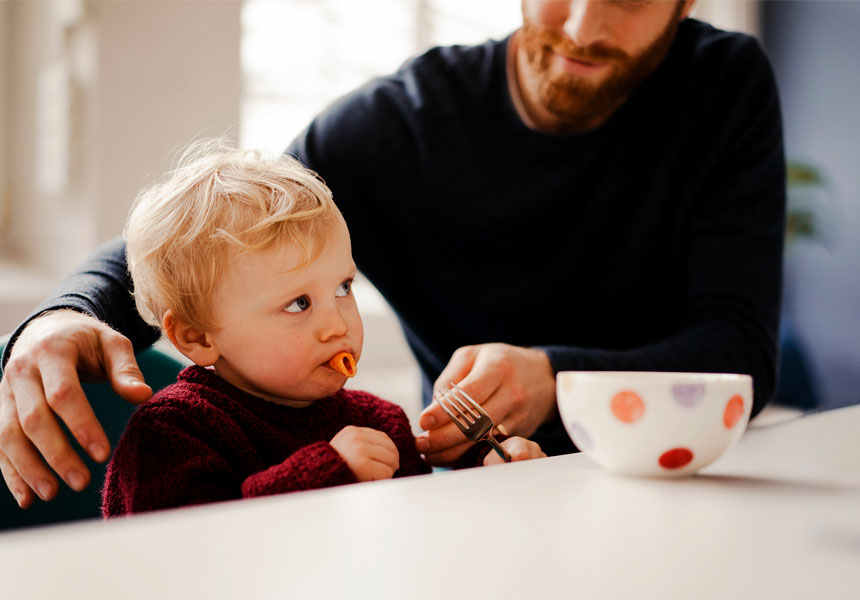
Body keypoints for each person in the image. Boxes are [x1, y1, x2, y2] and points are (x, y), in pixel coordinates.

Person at [0, 0, 786, 508]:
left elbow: (740, 349)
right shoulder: (399, 126)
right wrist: (63, 313)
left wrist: (555, 379)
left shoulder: (723, 87)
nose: (582, 27)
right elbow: (216, 232)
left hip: (682, 489)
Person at [101, 142, 544, 516]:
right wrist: (327, 471)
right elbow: (187, 553)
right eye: (298, 303)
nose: (337, 324)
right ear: (198, 337)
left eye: (343, 287)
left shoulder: (377, 420)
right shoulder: (173, 432)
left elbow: (421, 527)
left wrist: (492, 472)